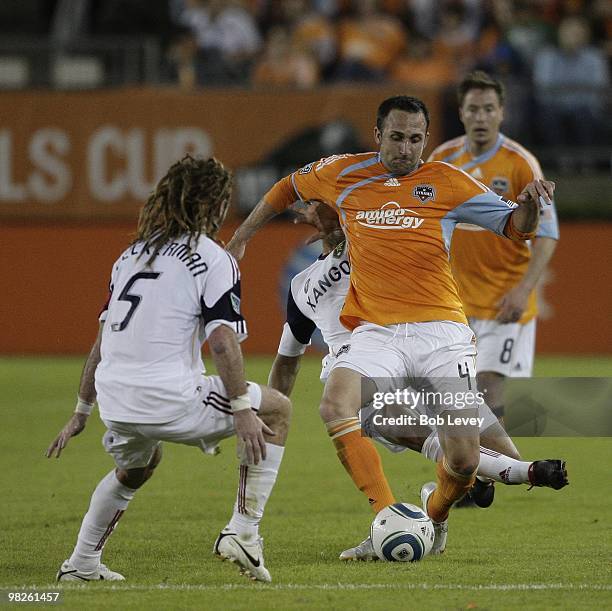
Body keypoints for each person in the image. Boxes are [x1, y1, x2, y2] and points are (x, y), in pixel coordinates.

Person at [227, 95, 554, 556]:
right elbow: (285, 188)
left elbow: (514, 227)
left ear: (426, 139)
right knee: (335, 405)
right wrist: (242, 237)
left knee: (464, 460)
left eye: (416, 139)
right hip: (377, 332)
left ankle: (434, 511)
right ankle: (386, 513)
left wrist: (530, 204)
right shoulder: (342, 173)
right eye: (397, 138)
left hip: (442, 332)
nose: (406, 149)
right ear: (378, 135)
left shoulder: (447, 181)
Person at [268, 203, 567, 560]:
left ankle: (436, 508)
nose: (330, 218)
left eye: (335, 210)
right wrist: (269, 411)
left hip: (426, 360)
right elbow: (287, 359)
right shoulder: (302, 285)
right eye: (323, 211)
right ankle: (391, 515)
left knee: (489, 458)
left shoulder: (382, 244)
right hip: (365, 377)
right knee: (454, 450)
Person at [46, 155, 291, 583]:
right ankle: (244, 532)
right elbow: (221, 340)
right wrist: (241, 408)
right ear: (215, 206)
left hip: (115, 400)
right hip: (170, 398)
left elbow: (103, 340)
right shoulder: (214, 259)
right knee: (276, 410)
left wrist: (82, 410)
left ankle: (81, 565)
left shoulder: (131, 256)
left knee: (136, 468)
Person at [427, 71, 559, 505]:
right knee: (455, 395)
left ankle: (477, 480)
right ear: (460, 113)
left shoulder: (521, 164)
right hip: (456, 303)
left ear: (501, 112)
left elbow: (547, 233)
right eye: (472, 109)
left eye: (488, 109)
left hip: (506, 301)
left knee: (485, 388)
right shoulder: (442, 159)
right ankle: (477, 477)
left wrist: (524, 290)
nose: (480, 116)